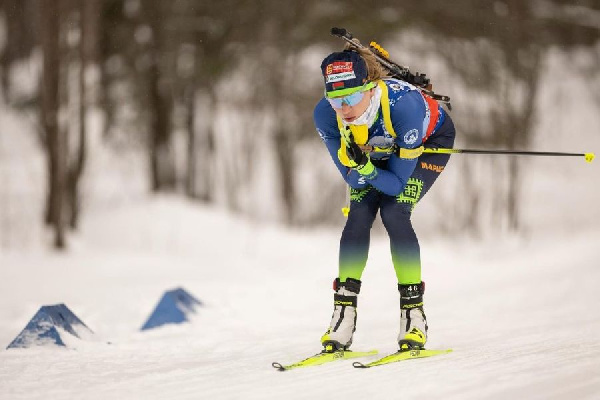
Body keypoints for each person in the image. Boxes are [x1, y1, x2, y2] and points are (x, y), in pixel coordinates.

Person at [313, 44, 456, 353]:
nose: (344, 109)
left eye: (350, 98)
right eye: (335, 100)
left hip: (428, 141)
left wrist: (364, 164)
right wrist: (360, 165)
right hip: (378, 151)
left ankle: (413, 314)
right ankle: (343, 313)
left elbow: (394, 185)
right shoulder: (327, 115)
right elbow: (353, 179)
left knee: (394, 211)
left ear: (370, 87)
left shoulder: (405, 107)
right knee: (359, 213)